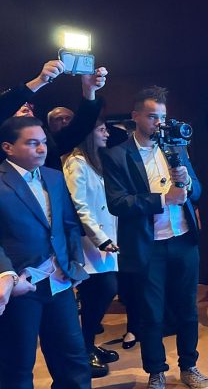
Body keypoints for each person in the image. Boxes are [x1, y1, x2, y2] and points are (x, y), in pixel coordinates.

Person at [100, 86, 208, 389]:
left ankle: (189, 366)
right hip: (148, 245)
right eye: (152, 116)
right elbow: (118, 203)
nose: (159, 123)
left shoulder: (177, 147)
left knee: (188, 309)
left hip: (184, 239)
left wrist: (188, 184)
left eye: (162, 116)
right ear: (135, 116)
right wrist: (163, 199)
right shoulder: (117, 155)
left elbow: (197, 191)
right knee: (151, 313)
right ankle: (156, 372)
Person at [0, 116, 91, 388]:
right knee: (17, 366)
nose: (42, 149)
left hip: (59, 282)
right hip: (21, 286)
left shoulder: (54, 176)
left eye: (43, 142)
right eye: (32, 143)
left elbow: (69, 225)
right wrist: (6, 274)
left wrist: (73, 265)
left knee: (73, 360)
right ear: (8, 147)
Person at [63, 120, 125, 378]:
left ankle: (87, 344)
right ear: (88, 133)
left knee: (101, 291)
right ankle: (84, 349)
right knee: (100, 290)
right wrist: (100, 238)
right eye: (101, 130)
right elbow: (80, 206)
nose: (107, 134)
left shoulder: (95, 160)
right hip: (90, 240)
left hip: (105, 236)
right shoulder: (76, 162)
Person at [2, 59, 108, 170]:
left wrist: (89, 90)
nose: (41, 149)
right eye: (19, 107)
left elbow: (79, 129)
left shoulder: (50, 147)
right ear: (7, 147)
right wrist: (40, 80)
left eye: (28, 107)